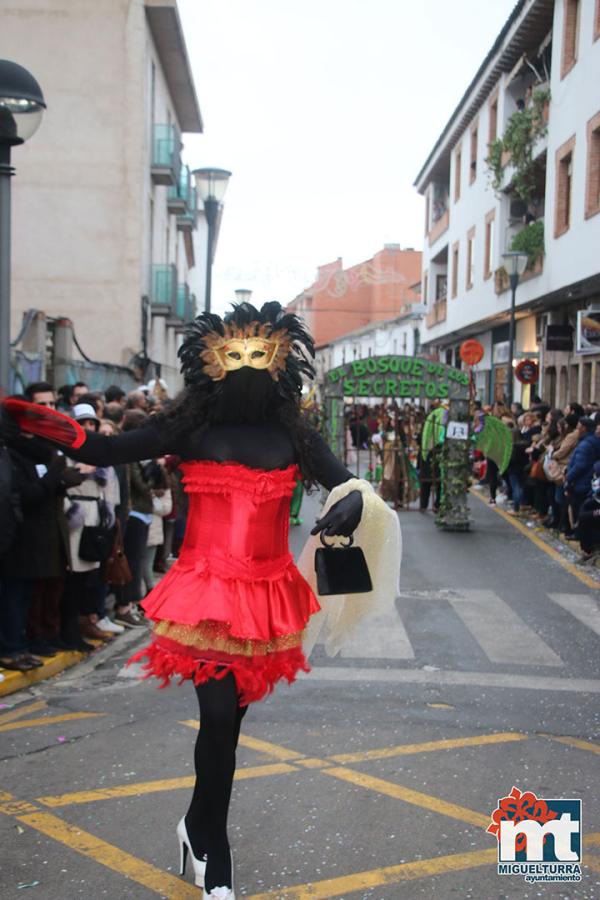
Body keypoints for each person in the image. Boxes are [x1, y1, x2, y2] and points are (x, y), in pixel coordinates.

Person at [3, 302, 399, 899]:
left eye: (258, 358)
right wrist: (32, 420)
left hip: (266, 596)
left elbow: (349, 482)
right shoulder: (189, 428)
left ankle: (196, 826)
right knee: (217, 718)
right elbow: (101, 450)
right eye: (234, 357)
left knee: (229, 727)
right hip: (207, 594)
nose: (246, 369)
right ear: (211, 362)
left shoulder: (294, 433)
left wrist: (351, 503)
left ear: (280, 363)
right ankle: (216, 849)